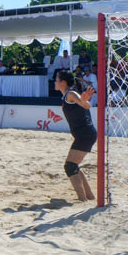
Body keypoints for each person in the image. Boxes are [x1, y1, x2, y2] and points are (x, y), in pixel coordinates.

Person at [54, 70, 96, 202]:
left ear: (63, 82)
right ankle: (89, 197)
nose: (54, 82)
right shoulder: (68, 94)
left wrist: (84, 101)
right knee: (73, 166)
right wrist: (83, 102)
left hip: (85, 134)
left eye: (56, 79)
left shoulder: (71, 94)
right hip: (84, 134)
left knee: (70, 167)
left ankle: (82, 200)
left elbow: (86, 105)